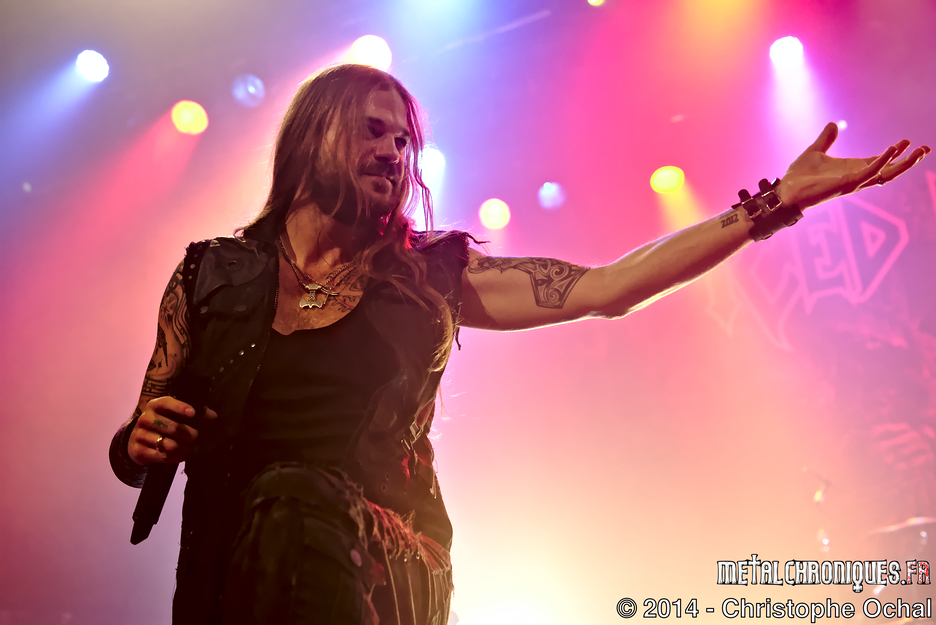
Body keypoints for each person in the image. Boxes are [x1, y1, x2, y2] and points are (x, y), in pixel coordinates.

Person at [109, 63, 929, 625]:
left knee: (294, 494)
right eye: (373, 131)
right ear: (311, 138)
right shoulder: (210, 275)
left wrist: (775, 202)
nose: (394, 151)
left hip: (384, 566)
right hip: (230, 578)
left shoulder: (431, 275)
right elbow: (141, 436)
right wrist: (137, 442)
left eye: (404, 141)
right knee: (275, 508)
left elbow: (609, 285)